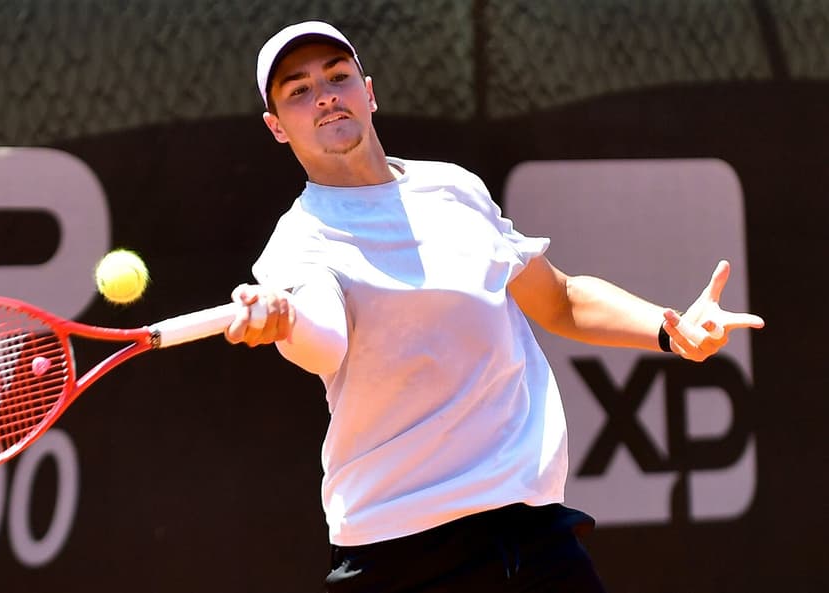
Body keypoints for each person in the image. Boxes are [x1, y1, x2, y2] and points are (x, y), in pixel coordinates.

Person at [224, 20, 765, 593]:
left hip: (529, 532)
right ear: (277, 127)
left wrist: (670, 329)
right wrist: (285, 322)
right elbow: (322, 340)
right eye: (299, 90)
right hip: (401, 551)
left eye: (338, 77)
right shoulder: (298, 243)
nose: (326, 95)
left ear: (370, 91)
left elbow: (558, 299)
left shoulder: (453, 188)